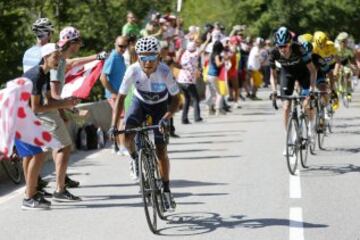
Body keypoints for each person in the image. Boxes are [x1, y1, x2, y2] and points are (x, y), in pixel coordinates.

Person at [111, 36, 181, 211]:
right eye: (143, 58)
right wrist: (113, 125)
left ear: (159, 57)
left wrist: (167, 117)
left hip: (160, 108)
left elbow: (176, 99)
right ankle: (135, 157)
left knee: (161, 150)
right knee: (127, 133)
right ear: (138, 57)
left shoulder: (165, 71)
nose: (148, 62)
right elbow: (120, 98)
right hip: (140, 103)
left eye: (152, 58)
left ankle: (165, 189)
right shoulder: (132, 70)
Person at [21, 43, 79, 209]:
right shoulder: (36, 75)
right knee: (37, 154)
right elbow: (36, 107)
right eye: (55, 56)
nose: (59, 59)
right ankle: (29, 196)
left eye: (60, 56)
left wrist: (66, 103)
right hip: (19, 116)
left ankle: (31, 193)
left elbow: (48, 101)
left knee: (35, 154)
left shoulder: (44, 73)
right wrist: (62, 105)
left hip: (25, 116)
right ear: (45, 57)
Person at [269, 27, 317, 154]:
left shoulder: (299, 49)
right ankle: (289, 139)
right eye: (279, 46)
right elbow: (272, 75)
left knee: (306, 104)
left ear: (290, 43)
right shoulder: (273, 53)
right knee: (286, 107)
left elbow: (312, 70)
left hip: (303, 75)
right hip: (287, 75)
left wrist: (312, 89)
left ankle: (311, 127)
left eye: (284, 46)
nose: (282, 49)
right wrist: (274, 91)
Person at [100, 36, 128, 155]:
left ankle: (116, 147)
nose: (122, 49)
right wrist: (113, 92)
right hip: (115, 95)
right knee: (122, 119)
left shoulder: (120, 57)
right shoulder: (113, 57)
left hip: (120, 94)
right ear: (115, 44)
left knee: (116, 121)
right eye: (120, 46)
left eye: (124, 46)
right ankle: (122, 146)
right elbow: (102, 77)